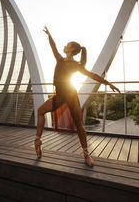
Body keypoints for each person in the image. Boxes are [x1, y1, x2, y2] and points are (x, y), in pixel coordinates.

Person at [35, 26, 120, 166]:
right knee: (40, 111)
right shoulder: (62, 60)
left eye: (67, 45)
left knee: (79, 124)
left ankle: (86, 155)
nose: (64, 46)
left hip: (70, 94)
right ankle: (38, 141)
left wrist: (108, 83)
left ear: (71, 50)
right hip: (61, 94)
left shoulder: (72, 64)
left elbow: (92, 75)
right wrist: (49, 35)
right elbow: (54, 47)